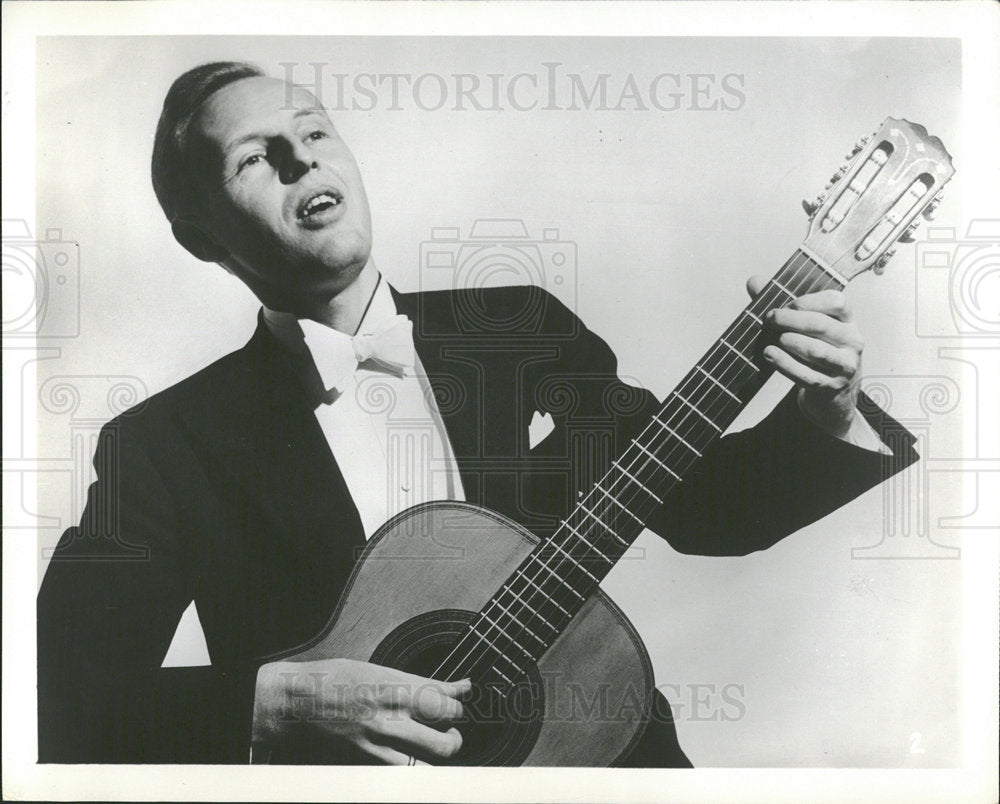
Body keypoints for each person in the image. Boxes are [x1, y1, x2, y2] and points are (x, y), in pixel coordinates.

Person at [37, 61, 917, 766]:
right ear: (200, 236)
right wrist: (281, 702)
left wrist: (823, 415)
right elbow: (55, 698)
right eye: (255, 157)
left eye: (314, 130)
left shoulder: (518, 331)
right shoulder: (162, 448)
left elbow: (707, 508)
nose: (303, 158)